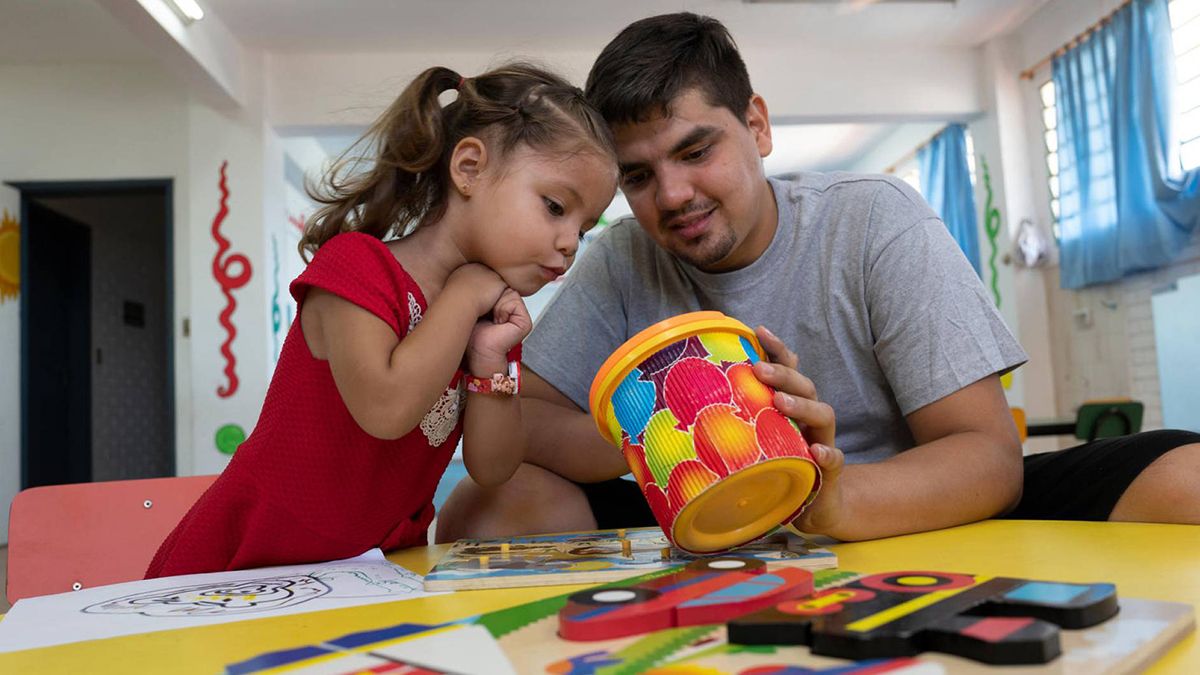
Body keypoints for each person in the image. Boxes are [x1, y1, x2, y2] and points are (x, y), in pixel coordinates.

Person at [436, 14, 1200, 544]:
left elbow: (988, 456)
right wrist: (648, 433)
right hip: (698, 517)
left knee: (1186, 478)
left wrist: (825, 493)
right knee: (483, 509)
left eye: (697, 150)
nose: (671, 195)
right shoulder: (621, 257)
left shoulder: (875, 220)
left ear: (758, 126)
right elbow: (523, 420)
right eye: (638, 176)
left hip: (891, 506)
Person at [146, 63, 617, 577]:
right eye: (555, 207)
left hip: (369, 570)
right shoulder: (359, 266)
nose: (571, 242)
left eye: (585, 226)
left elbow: (492, 467)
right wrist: (461, 296)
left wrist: (488, 360)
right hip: (250, 563)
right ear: (469, 168)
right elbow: (386, 407)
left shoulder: (491, 319)